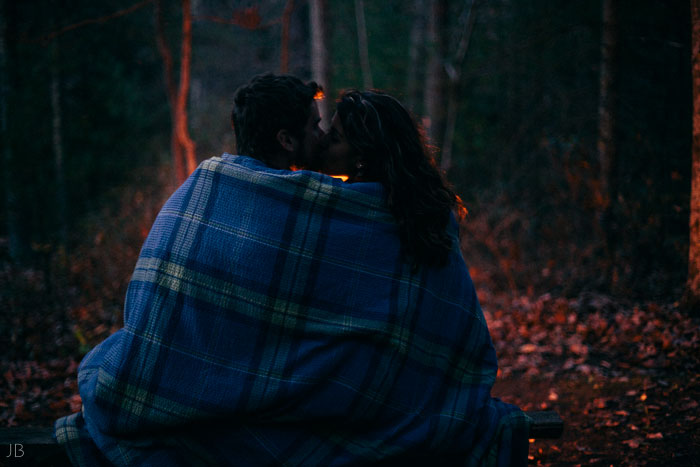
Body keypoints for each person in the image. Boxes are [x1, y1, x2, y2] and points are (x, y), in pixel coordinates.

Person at [55, 75, 529, 465]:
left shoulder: (347, 212)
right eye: (318, 127)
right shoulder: (293, 203)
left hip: (364, 401)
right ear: (286, 139)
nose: (323, 139)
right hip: (337, 403)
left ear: (363, 154)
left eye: (334, 134)